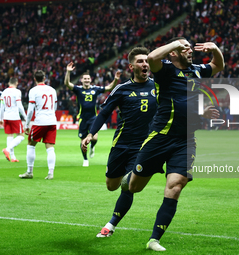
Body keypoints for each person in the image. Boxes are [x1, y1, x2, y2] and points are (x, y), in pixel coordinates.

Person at [122, 37, 224, 251]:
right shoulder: (165, 69)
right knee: (135, 187)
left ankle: (154, 239)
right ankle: (129, 178)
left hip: (185, 139)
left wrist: (215, 50)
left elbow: (218, 65)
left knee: (176, 186)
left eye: (189, 48)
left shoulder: (197, 70)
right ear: (174, 53)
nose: (190, 51)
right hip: (160, 136)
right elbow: (151, 57)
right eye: (185, 48)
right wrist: (177, 43)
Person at [80, 47, 157, 237]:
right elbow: (104, 112)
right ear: (131, 66)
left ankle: (110, 226)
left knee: (128, 186)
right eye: (140, 61)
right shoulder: (121, 89)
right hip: (121, 144)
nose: (145, 64)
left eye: (146, 61)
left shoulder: (158, 87)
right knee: (111, 185)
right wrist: (91, 134)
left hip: (143, 146)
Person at [64, 64, 121, 166]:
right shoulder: (78, 89)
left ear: (91, 80)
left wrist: (116, 80)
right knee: (83, 141)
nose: (86, 80)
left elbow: (109, 88)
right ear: (82, 80)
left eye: (88, 79)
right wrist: (68, 72)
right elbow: (67, 83)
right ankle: (85, 159)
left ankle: (92, 147)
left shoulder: (95, 89)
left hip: (93, 117)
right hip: (82, 118)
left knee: (94, 138)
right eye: (85, 79)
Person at [19, 70, 58, 180]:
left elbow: (31, 110)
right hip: (52, 121)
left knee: (31, 144)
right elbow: (55, 107)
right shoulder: (52, 90)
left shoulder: (33, 90)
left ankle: (29, 172)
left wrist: (27, 125)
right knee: (50, 147)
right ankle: (51, 173)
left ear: (35, 79)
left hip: (40, 121)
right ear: (45, 78)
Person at [0, 77, 26, 162]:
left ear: (9, 83)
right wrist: (25, 116)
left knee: (10, 135)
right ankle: (7, 149)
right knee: (21, 136)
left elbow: (1, 107)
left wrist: (1, 118)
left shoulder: (4, 92)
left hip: (6, 117)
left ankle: (13, 157)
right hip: (14, 117)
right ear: (17, 83)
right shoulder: (17, 92)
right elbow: (20, 106)